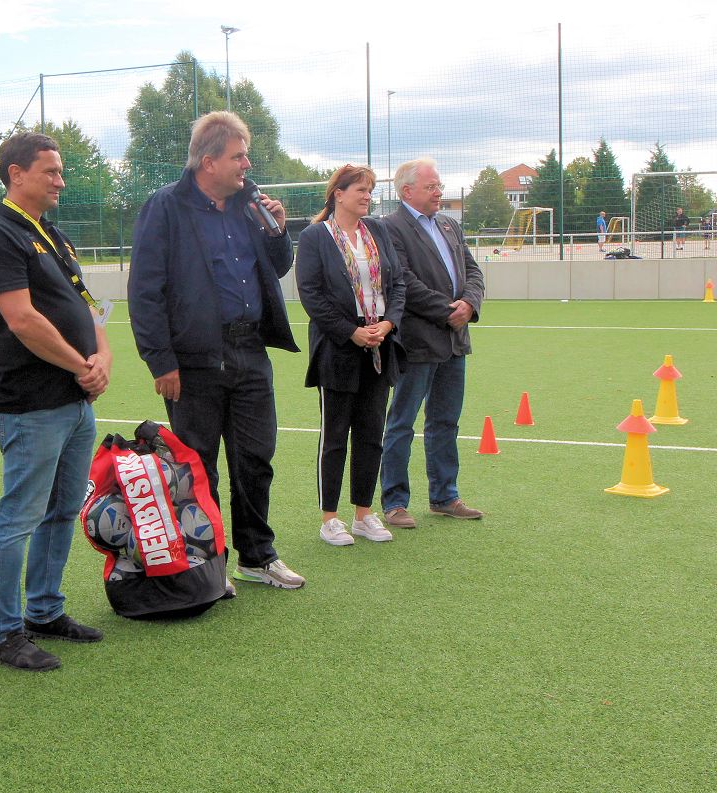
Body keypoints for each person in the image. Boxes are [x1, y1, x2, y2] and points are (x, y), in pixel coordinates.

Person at [127, 111, 304, 589]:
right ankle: (208, 563)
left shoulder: (250, 206)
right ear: (208, 162)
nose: (247, 164)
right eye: (238, 156)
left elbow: (277, 267)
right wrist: (160, 361)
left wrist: (277, 231)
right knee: (198, 466)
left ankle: (257, 556)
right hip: (194, 360)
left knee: (255, 460)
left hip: (250, 350)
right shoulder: (165, 206)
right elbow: (145, 290)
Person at [0, 131, 108, 672]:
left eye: (60, 171)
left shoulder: (51, 233)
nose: (60, 181)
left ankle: (44, 611)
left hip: (74, 400)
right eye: (51, 171)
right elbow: (22, 320)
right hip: (30, 402)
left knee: (63, 509)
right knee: (19, 516)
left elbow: (89, 305)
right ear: (16, 173)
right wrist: (81, 365)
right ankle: (3, 634)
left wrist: (102, 357)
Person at [296, 165, 406, 546]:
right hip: (338, 347)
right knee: (335, 435)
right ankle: (330, 518)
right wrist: (350, 331)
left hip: (379, 345)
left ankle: (363, 513)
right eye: (361, 189)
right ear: (338, 194)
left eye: (370, 190)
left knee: (372, 433)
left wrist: (388, 324)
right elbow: (311, 294)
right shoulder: (315, 237)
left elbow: (398, 284)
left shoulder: (377, 231)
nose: (367, 196)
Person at [380, 158, 486, 529]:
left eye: (439, 185)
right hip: (418, 342)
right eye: (431, 187)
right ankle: (395, 502)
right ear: (407, 191)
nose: (439, 192)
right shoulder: (391, 228)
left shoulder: (449, 225)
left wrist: (469, 303)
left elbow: (473, 271)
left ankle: (445, 496)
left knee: (445, 422)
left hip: (455, 341)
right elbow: (403, 282)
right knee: (402, 423)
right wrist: (448, 311)